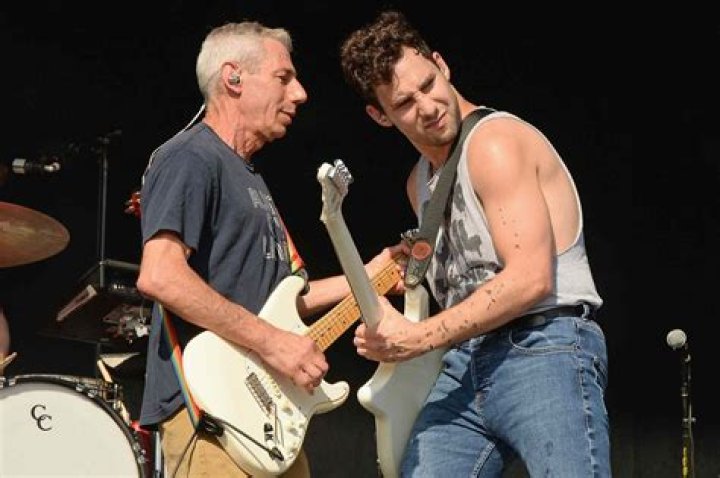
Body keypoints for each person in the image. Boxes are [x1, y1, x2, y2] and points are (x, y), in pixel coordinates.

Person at [340, 10, 610, 477]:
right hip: (465, 362)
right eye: (404, 103)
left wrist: (415, 338)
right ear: (379, 116)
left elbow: (530, 279)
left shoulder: (494, 142)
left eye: (428, 84)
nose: (427, 106)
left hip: (541, 344)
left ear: (441, 64)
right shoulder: (419, 184)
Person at [136, 21, 399, 477]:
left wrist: (370, 277)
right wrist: (274, 344)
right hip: (210, 414)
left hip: (267, 423)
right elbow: (160, 275)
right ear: (233, 77)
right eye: (284, 78)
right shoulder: (191, 156)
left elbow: (285, 299)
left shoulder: (249, 177)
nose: (300, 93)